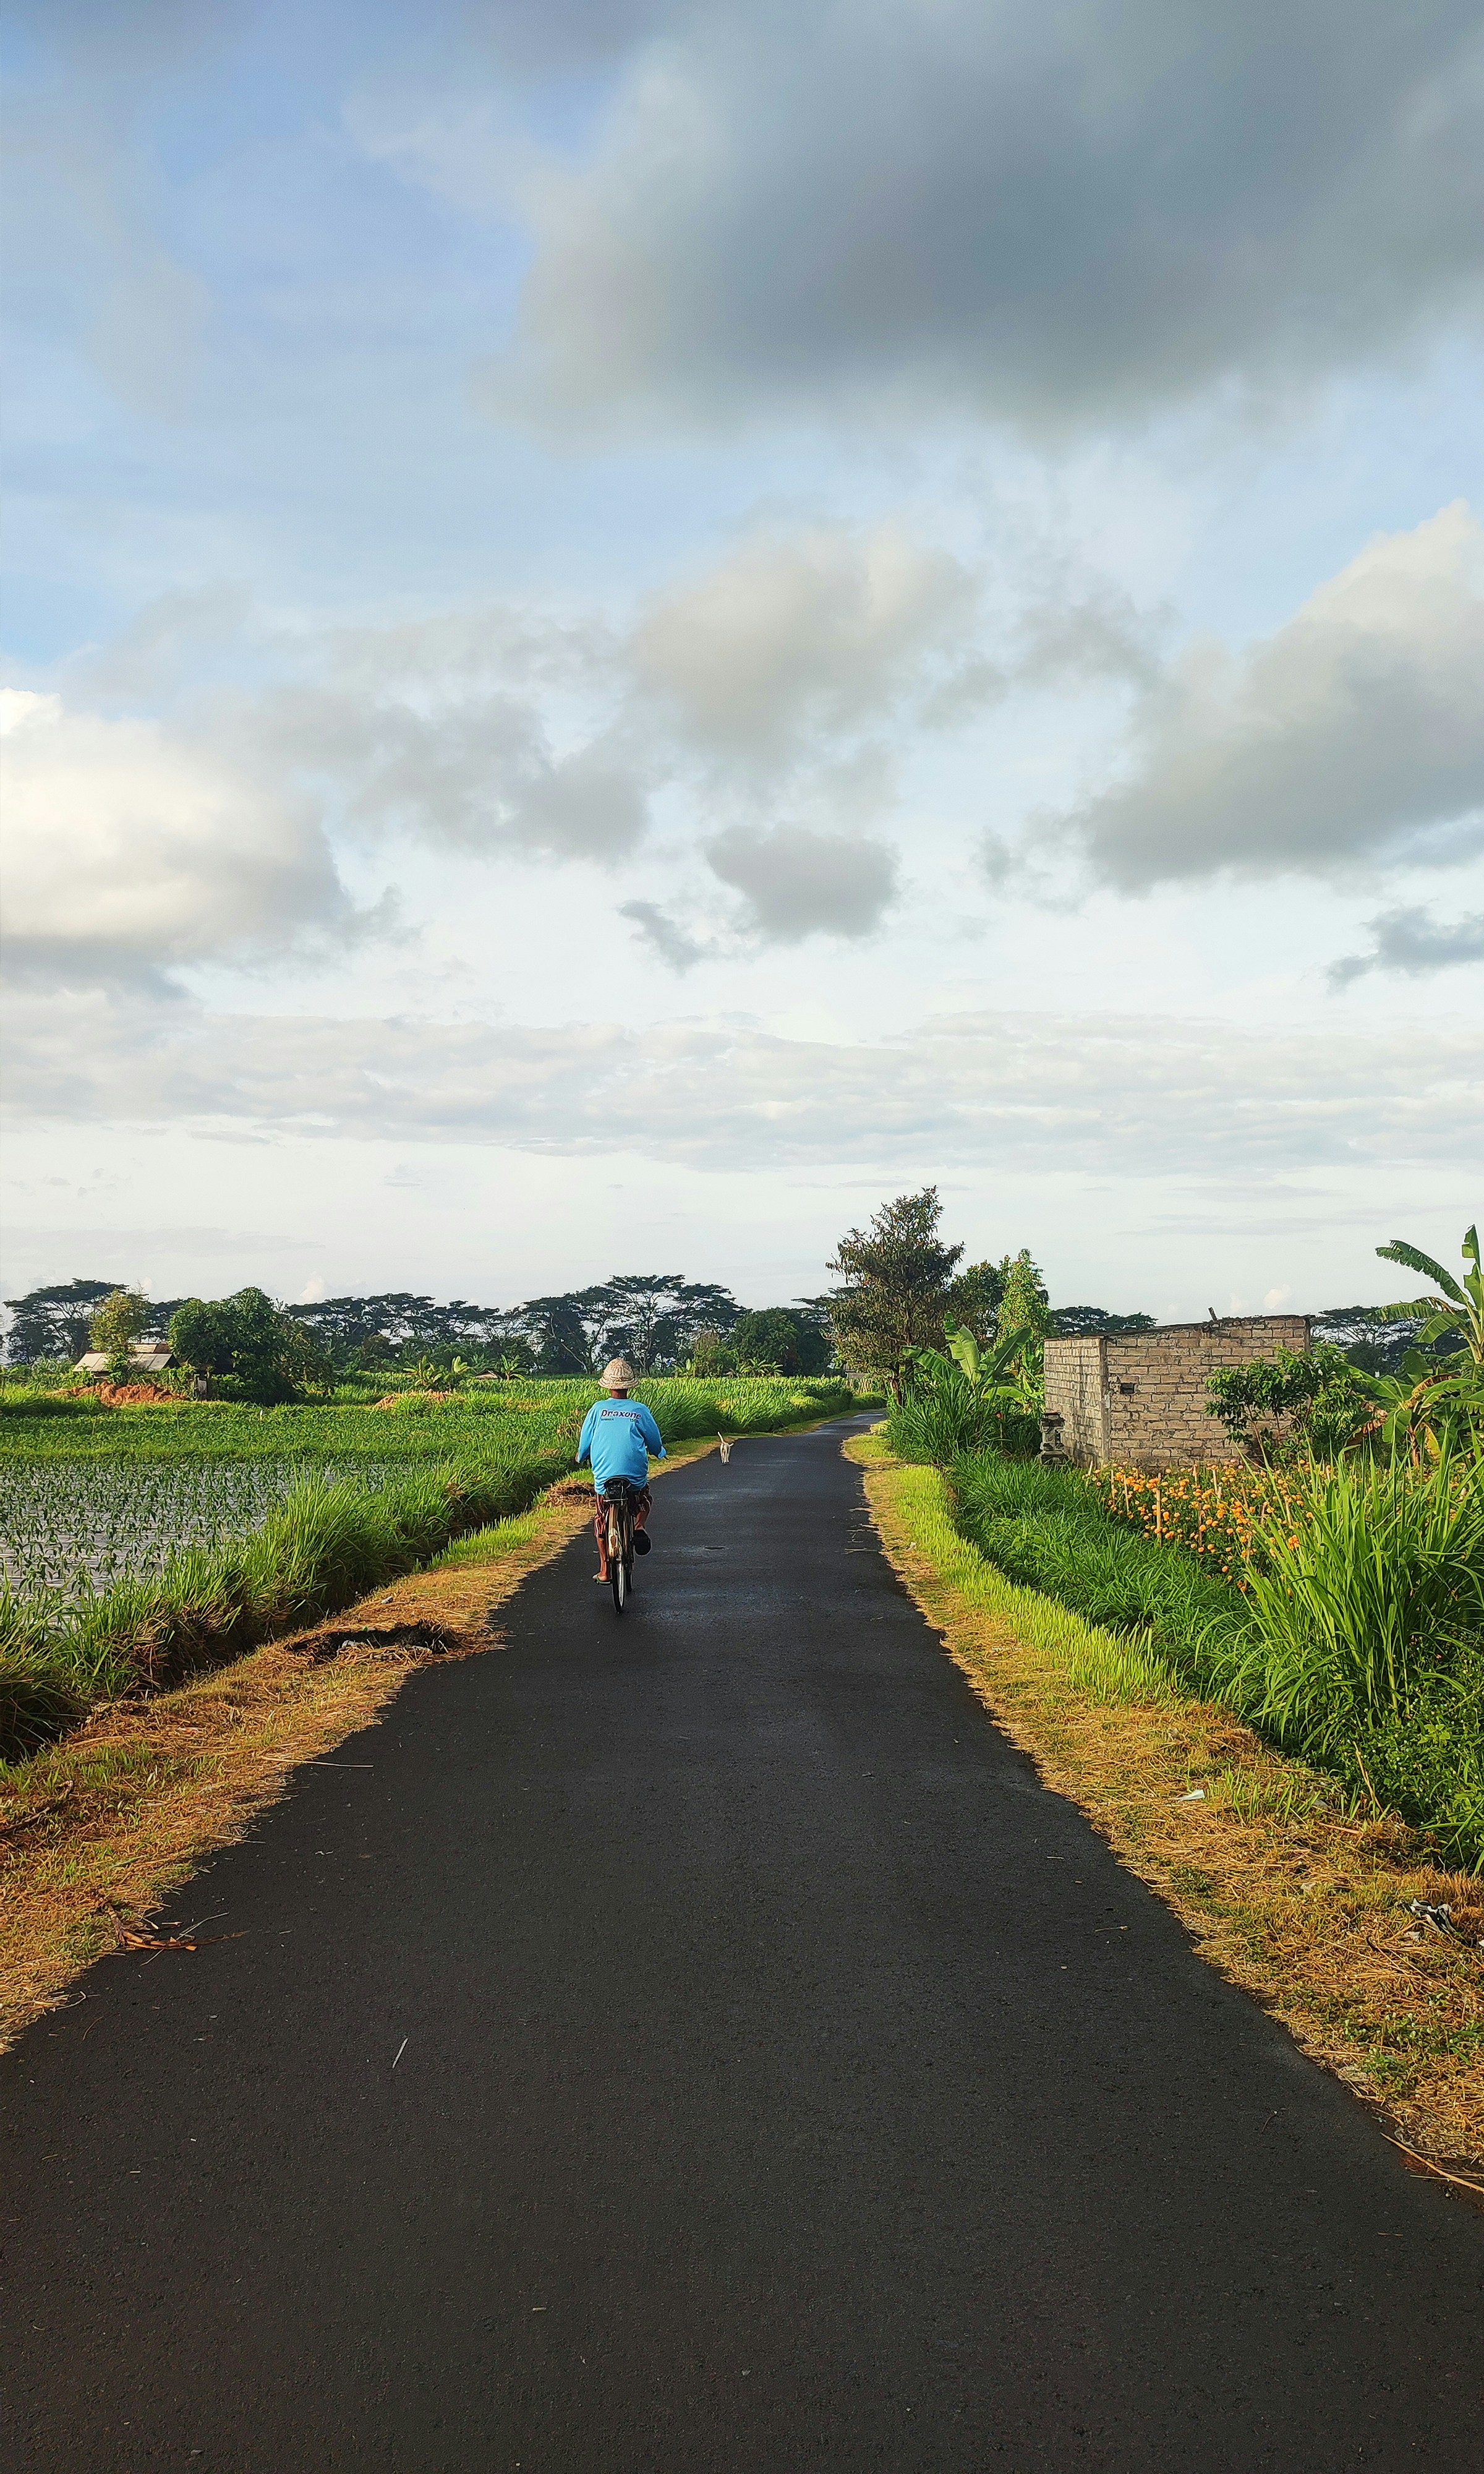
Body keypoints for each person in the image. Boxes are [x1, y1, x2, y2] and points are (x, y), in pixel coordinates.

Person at [576, 1359, 665, 1583]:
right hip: (633, 1477)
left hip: (605, 1478)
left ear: (608, 1386)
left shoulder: (597, 1410)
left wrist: (581, 1456)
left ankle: (605, 1570)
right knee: (643, 1498)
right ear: (629, 1387)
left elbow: (585, 1443)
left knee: (601, 1517)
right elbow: (654, 1442)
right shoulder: (639, 1410)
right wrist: (660, 1452)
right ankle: (639, 1525)